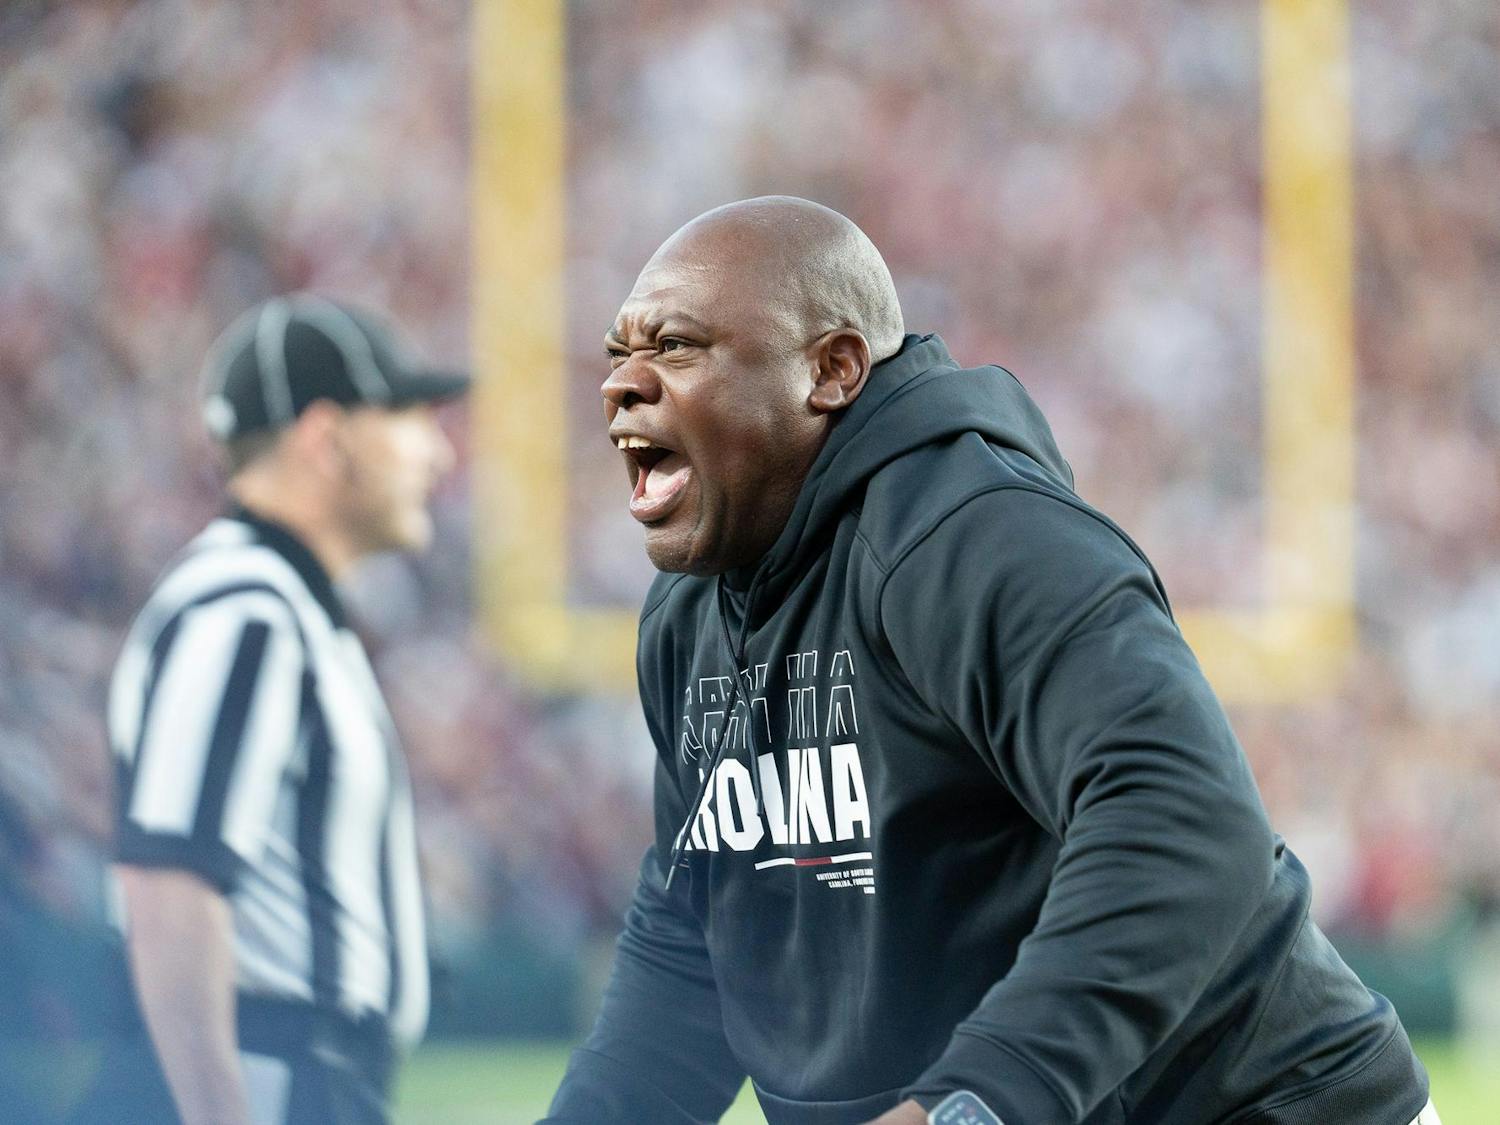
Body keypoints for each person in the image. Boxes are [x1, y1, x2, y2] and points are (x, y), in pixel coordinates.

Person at [544, 198, 1438, 1125]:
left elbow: (1187, 812)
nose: (622, 385)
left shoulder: (972, 532)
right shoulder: (688, 615)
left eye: (678, 346)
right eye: (618, 356)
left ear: (833, 368)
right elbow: (699, 934)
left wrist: (977, 1100)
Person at [107, 294, 465, 1125]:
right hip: (276, 1077)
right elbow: (169, 881)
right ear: (326, 438)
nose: (438, 454)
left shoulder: (280, 608)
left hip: (304, 1076)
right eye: (410, 418)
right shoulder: (246, 609)